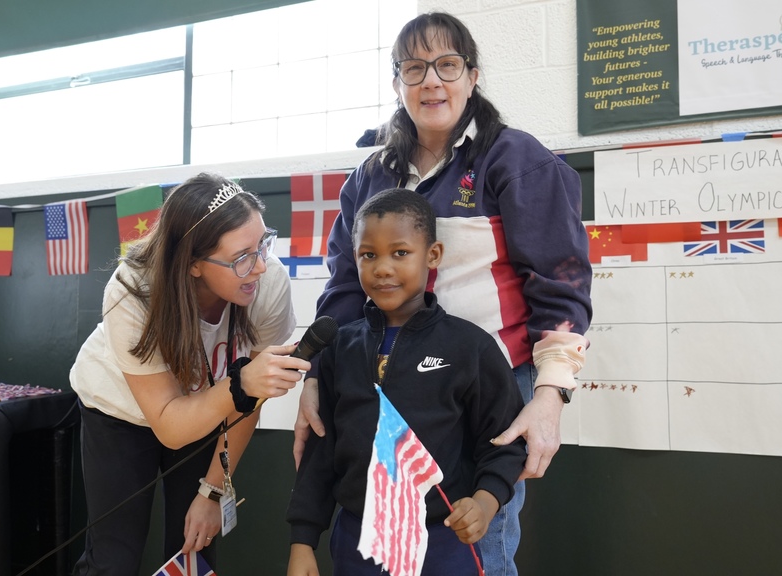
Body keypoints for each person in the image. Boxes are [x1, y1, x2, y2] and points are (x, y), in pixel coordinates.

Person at [293, 12, 592, 576]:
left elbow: (561, 282)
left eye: (447, 65)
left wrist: (551, 395)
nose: (432, 80)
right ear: (397, 83)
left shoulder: (515, 161)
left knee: (479, 541)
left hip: (488, 388)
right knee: (377, 541)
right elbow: (340, 287)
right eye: (414, 68)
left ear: (472, 76)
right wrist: (315, 376)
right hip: (387, 383)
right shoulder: (370, 177)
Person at [70, 172, 307, 575]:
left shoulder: (266, 283)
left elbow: (250, 402)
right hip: (119, 412)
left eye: (262, 243)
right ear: (194, 264)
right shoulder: (133, 289)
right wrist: (242, 384)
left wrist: (212, 492)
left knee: (194, 551)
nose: (261, 267)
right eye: (242, 257)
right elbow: (172, 426)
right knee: (114, 558)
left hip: (205, 406)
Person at [286, 188, 527, 576]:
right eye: (369, 255)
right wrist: (302, 542)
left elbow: (505, 442)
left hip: (443, 541)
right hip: (356, 542)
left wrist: (484, 501)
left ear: (432, 255)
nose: (383, 268)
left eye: (400, 253)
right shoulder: (339, 347)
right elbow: (320, 453)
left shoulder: (471, 347)